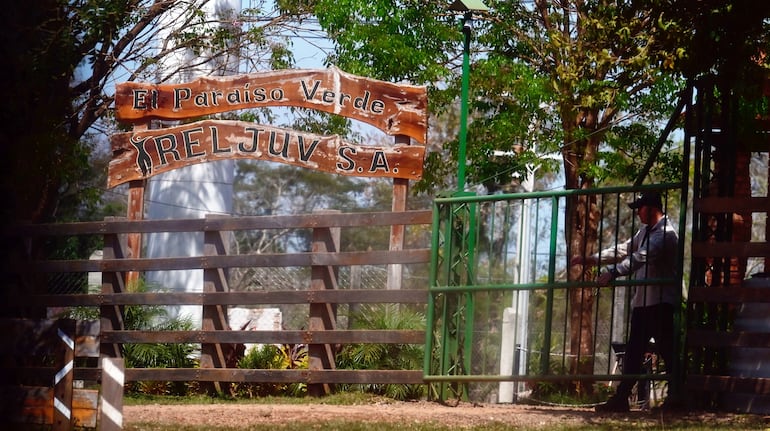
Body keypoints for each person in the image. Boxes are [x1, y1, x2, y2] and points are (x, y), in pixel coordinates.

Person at [571, 191, 680, 412]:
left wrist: (613, 272)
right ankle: (623, 398)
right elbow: (623, 249)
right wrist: (592, 259)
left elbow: (641, 257)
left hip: (661, 302)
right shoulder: (645, 231)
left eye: (640, 208)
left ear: (651, 208)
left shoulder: (666, 234)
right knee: (634, 352)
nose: (638, 212)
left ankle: (676, 397)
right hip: (644, 303)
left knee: (666, 351)